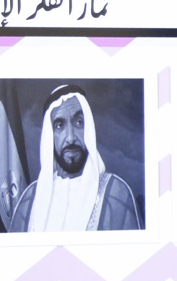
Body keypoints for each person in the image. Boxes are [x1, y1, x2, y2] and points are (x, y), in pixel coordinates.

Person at [10, 84, 141, 231]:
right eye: (59, 125)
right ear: (49, 136)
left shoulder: (116, 194)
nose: (70, 138)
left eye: (78, 122)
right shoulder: (29, 200)